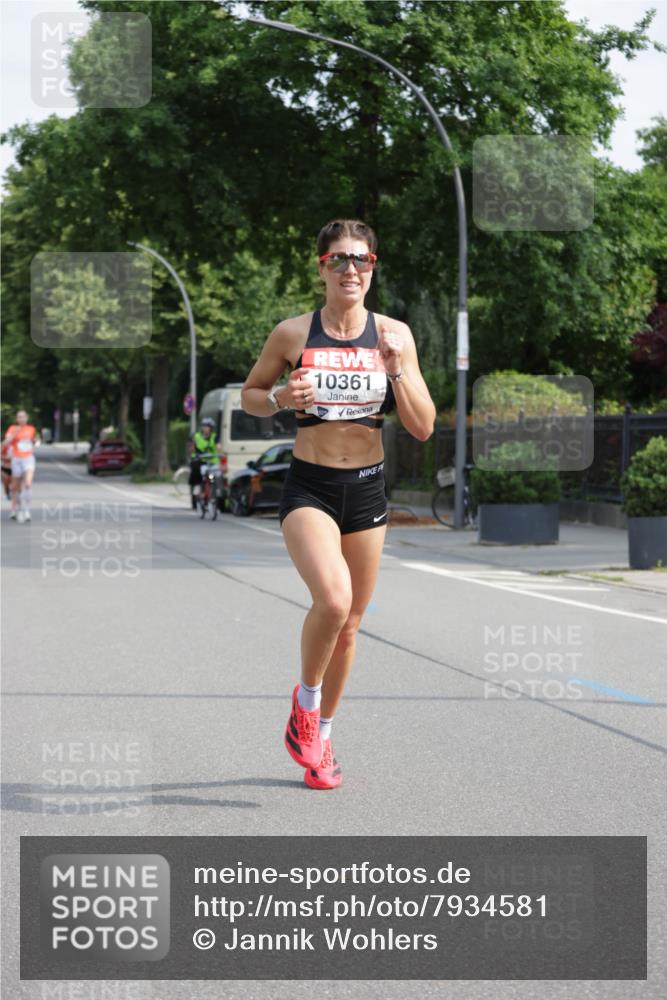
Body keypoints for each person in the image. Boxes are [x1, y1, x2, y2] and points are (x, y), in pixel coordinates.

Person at [241, 219, 436, 790]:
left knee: (350, 627)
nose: (351, 269)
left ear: (373, 266)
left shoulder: (395, 335)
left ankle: (321, 737)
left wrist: (397, 366)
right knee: (332, 598)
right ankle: (304, 704)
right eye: (339, 260)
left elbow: (423, 427)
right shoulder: (293, 334)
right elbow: (252, 394)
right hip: (310, 487)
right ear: (321, 266)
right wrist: (279, 396)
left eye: (362, 260)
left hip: (368, 490)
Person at [4, 409, 38, 523]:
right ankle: (15, 509)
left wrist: (35, 446)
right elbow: (5, 443)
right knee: (15, 488)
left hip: (28, 459)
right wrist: (14, 434)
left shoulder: (31, 429)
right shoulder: (12, 428)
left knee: (28, 484)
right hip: (16, 459)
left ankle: (27, 510)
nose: (21, 419)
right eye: (19, 417)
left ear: (27, 418)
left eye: (23, 417)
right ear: (17, 419)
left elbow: (34, 441)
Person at [189, 417, 219, 510]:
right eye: (204, 426)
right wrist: (194, 454)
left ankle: (215, 495)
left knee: (217, 476)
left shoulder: (214, 437)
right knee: (198, 474)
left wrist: (221, 454)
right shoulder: (197, 436)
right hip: (200, 461)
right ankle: (198, 491)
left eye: (208, 427)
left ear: (211, 428)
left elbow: (218, 447)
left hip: (212, 462)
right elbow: (192, 449)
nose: (205, 429)